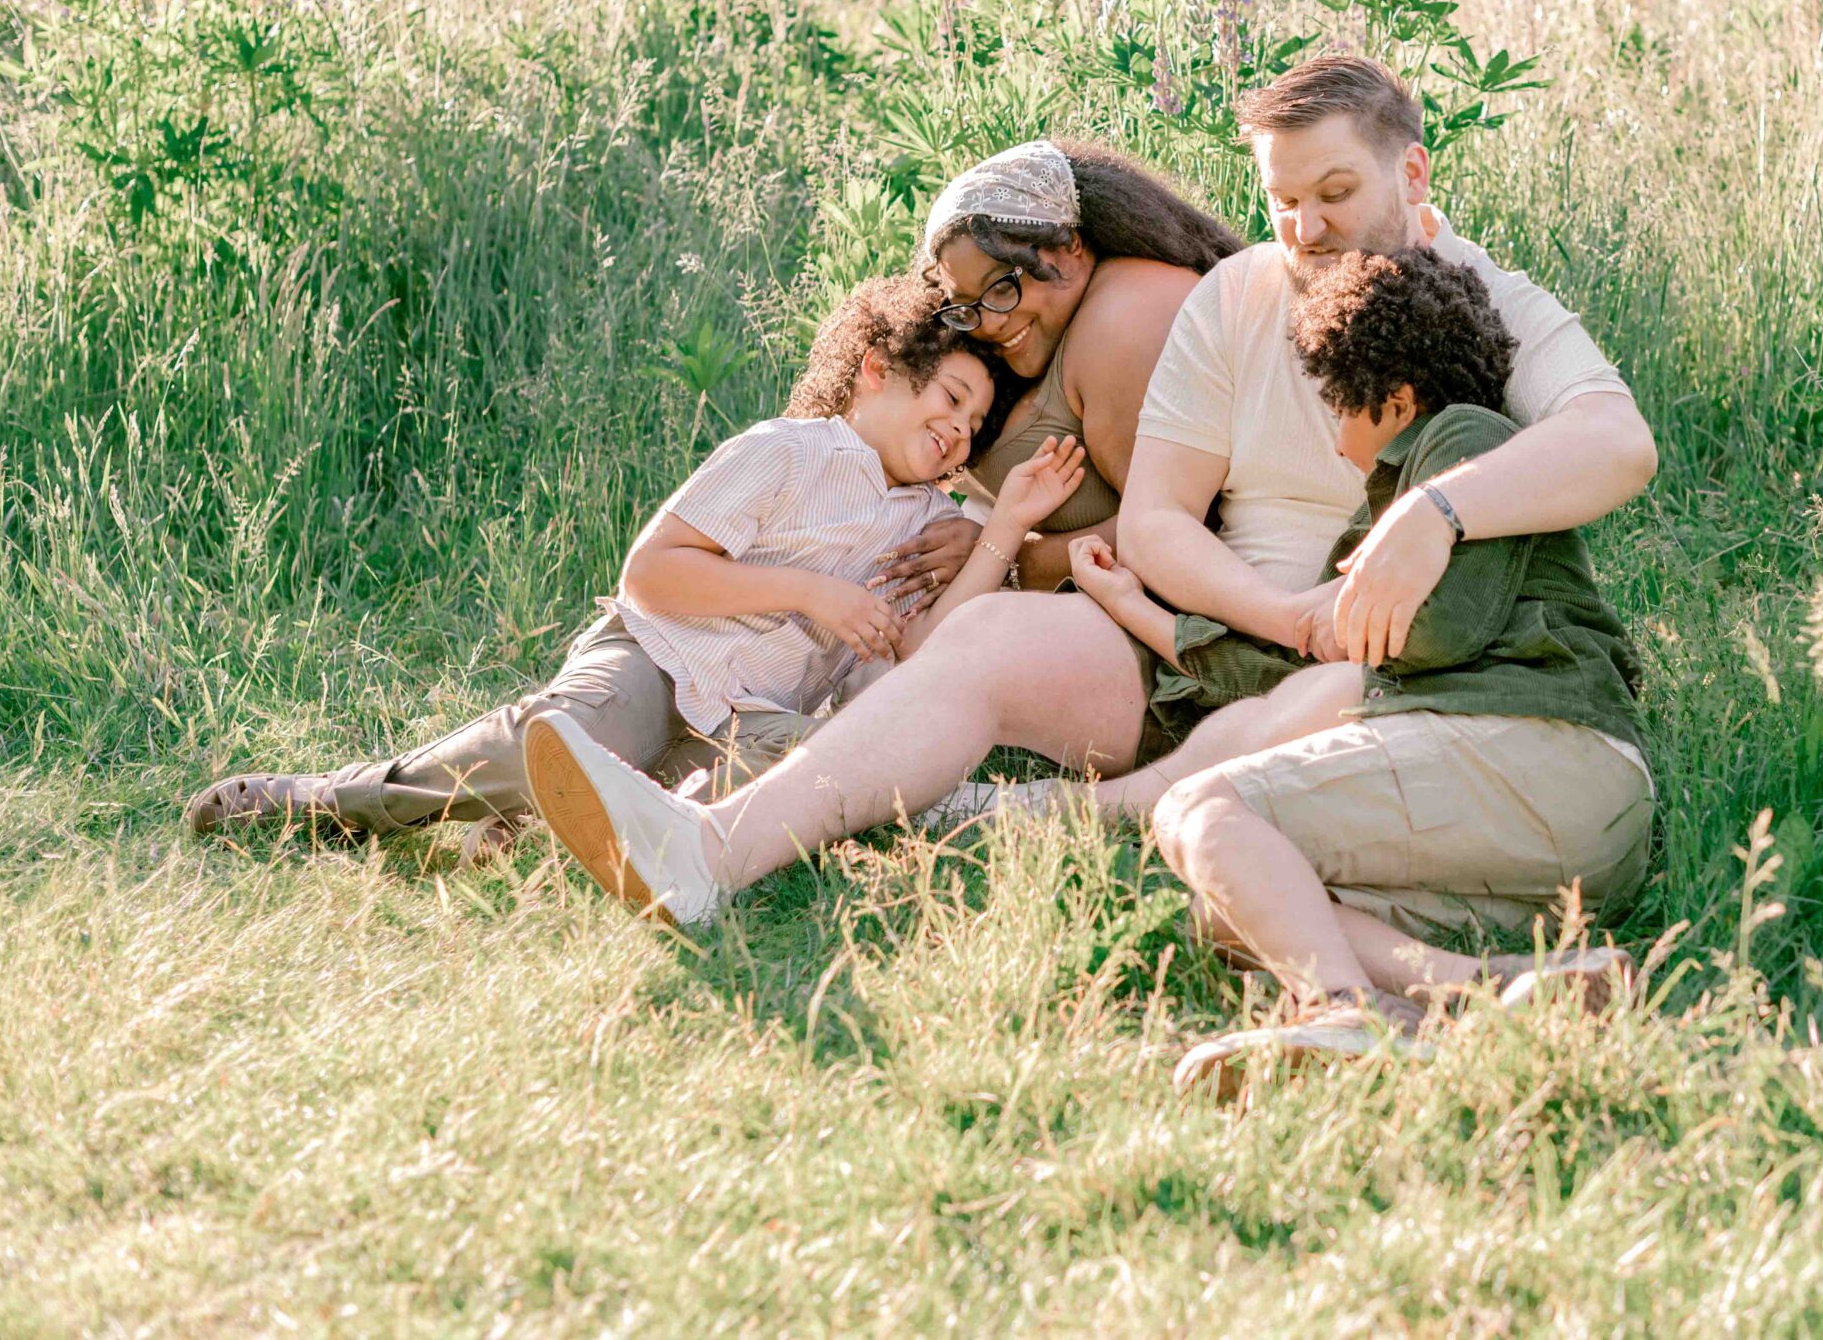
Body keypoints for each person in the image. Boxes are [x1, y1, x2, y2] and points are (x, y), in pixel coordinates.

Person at [519, 54, 1658, 977]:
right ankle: (714, 850)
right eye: (1283, 201)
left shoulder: (1487, 302)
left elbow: (1617, 440)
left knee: (1282, 742)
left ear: (1411, 175)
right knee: (986, 639)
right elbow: (1162, 520)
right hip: (1211, 642)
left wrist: (1437, 516)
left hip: (1389, 666)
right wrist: (1276, 610)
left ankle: (1011, 815)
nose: (1304, 228)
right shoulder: (1237, 297)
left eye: (1335, 194)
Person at [184, 274, 1084, 855]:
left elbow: (923, 650)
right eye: (951, 398)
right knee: (573, 735)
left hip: (747, 721)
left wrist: (1003, 524)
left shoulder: (927, 518)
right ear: (878, 370)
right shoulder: (792, 452)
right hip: (661, 659)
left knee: (846, 774)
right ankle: (323, 801)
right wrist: (815, 592)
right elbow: (652, 574)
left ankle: (553, 814)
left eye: (973, 426)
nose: (959, 430)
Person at [1055, 245, 1650, 1092]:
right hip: (1539, 821)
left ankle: (1340, 1008)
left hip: (1547, 752)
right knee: (1239, 907)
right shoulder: (1387, 522)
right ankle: (1489, 992)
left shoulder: (1464, 446)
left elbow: (1439, 630)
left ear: (1397, 400)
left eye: (1340, 408)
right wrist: (1138, 612)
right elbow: (1286, 661)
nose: (1337, 441)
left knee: (1201, 805)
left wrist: (1336, 620)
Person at [898, 138, 1242, 597]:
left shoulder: (1122, 323)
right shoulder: (1064, 319)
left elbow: (1171, 532)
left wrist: (998, 555)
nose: (990, 324)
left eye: (1001, 288)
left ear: (1070, 246)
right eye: (966, 306)